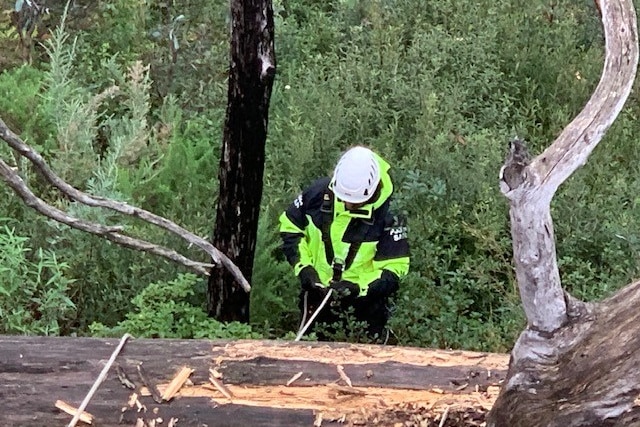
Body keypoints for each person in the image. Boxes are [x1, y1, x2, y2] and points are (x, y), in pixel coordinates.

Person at [279, 146, 410, 342]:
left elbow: (394, 270)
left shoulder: (390, 214)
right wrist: (304, 268)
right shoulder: (317, 194)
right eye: (344, 200)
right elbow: (291, 229)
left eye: (356, 203)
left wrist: (358, 288)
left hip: (365, 308)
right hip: (317, 298)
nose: (349, 205)